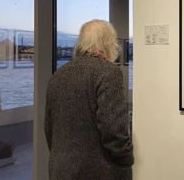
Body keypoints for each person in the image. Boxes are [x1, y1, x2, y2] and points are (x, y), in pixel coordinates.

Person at [45, 20, 134, 180]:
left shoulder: (58, 75)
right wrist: (127, 159)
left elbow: (49, 128)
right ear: (108, 43)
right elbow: (113, 129)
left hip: (60, 171)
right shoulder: (108, 72)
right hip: (99, 172)